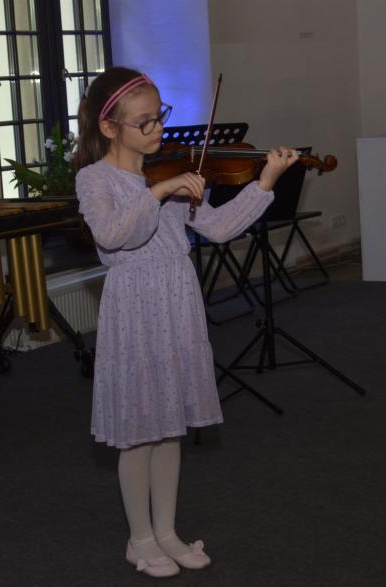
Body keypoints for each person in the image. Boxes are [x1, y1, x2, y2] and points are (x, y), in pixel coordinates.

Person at [75, 66, 298, 578]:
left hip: (176, 301)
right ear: (109, 128)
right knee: (139, 432)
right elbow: (115, 236)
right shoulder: (96, 180)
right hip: (135, 307)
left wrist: (264, 182)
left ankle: (167, 531)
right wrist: (157, 193)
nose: (158, 129)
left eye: (160, 117)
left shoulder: (170, 171)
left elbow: (215, 227)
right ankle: (139, 538)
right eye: (145, 122)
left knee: (168, 427)